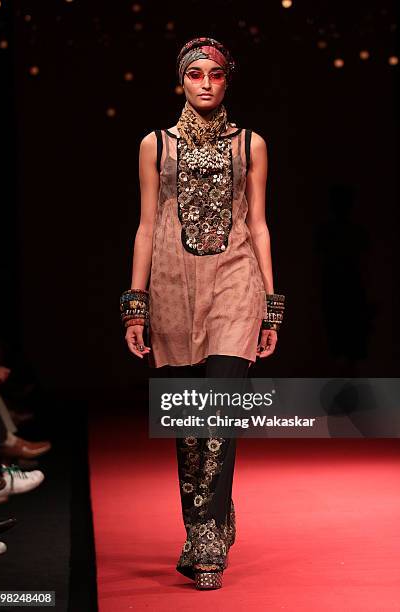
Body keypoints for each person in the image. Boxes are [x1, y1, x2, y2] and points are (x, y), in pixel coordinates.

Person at [120, 37, 285, 590]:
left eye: (216, 74)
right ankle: (204, 520)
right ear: (181, 80)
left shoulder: (251, 144)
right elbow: (145, 225)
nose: (206, 84)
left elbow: (259, 223)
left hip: (237, 279)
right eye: (196, 74)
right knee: (188, 423)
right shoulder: (155, 145)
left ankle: (207, 539)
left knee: (218, 409)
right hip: (170, 282)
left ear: (228, 80)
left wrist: (271, 306)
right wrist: (134, 304)